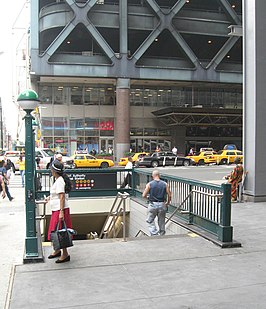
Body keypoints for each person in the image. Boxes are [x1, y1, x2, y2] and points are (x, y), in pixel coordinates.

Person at [45, 161, 72, 263]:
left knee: (60, 232)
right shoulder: (58, 180)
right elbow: (57, 195)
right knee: (56, 230)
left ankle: (65, 254)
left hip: (60, 210)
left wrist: (61, 212)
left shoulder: (60, 181)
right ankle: (57, 250)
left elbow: (62, 197)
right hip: (57, 209)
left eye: (51, 169)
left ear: (54, 171)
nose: (50, 171)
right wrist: (49, 198)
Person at [142, 170, 171, 236]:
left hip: (152, 204)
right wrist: (167, 203)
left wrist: (149, 198)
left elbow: (143, 195)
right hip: (162, 204)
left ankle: (154, 234)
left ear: (153, 176)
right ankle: (162, 234)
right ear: (159, 175)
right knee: (161, 221)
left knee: (150, 220)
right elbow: (169, 195)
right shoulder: (165, 184)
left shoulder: (149, 184)